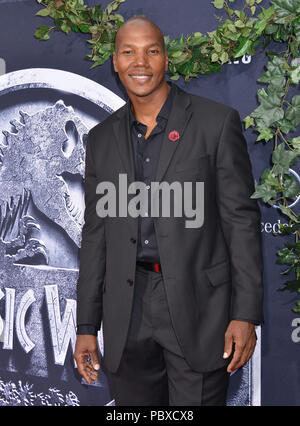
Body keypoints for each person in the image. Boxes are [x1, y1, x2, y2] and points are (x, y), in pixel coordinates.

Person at [74, 15, 264, 406]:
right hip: (128, 308)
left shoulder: (215, 123)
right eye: (128, 52)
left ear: (165, 60)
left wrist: (245, 314)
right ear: (115, 62)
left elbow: (241, 223)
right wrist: (86, 324)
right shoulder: (101, 139)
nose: (139, 63)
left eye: (151, 51)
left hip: (200, 307)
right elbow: (95, 236)